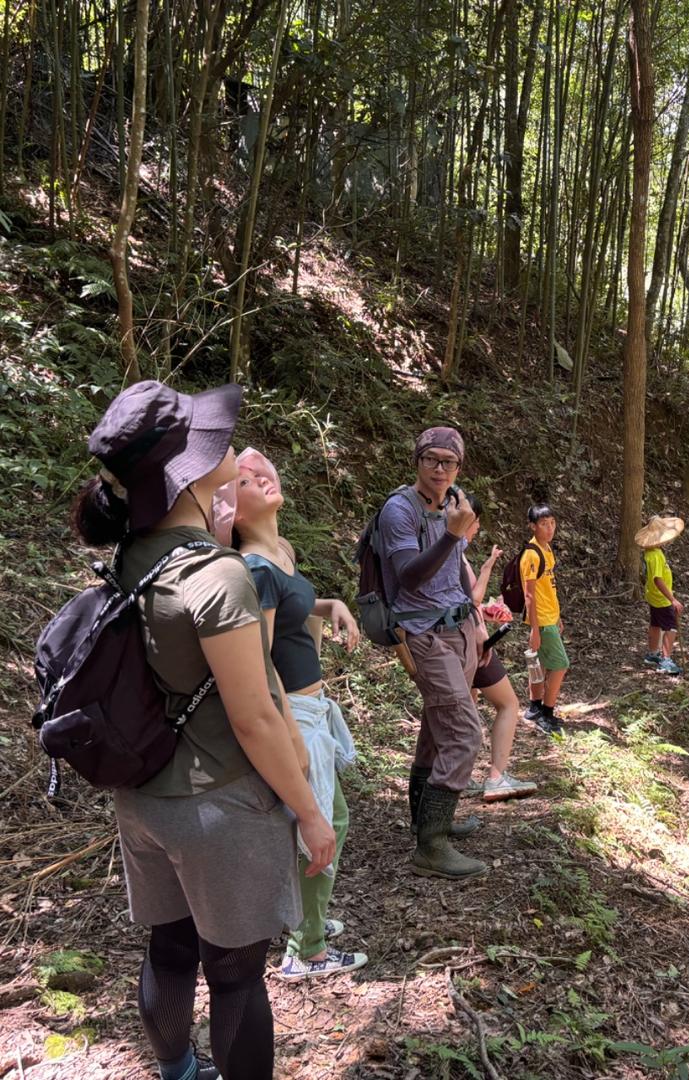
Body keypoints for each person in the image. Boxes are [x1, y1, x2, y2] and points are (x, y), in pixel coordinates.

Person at [74, 380, 335, 1080]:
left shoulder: (135, 556)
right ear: (184, 469)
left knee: (169, 949)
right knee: (236, 977)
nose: (233, 450)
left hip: (143, 800)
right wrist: (310, 813)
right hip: (218, 806)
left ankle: (178, 1071)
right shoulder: (216, 575)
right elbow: (254, 716)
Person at [216, 447, 366, 981]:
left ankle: (311, 919)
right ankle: (308, 948)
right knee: (324, 823)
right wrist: (290, 734)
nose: (260, 480)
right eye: (246, 481)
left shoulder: (279, 552)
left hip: (312, 707)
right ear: (231, 510)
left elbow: (299, 604)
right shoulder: (254, 568)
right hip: (295, 711)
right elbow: (261, 658)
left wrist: (333, 605)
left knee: (328, 818)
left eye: (263, 474)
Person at [380, 426, 488, 880]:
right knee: (464, 732)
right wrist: (449, 534)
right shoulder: (398, 510)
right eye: (432, 459)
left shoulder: (455, 502)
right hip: (423, 634)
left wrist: (477, 621)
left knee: (438, 724)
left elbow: (458, 567)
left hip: (459, 628)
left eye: (449, 461)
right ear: (417, 461)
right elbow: (408, 577)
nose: (440, 469)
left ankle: (426, 820)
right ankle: (432, 846)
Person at [462, 495, 537, 801]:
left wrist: (488, 612)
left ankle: (459, 776)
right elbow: (472, 600)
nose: (478, 527)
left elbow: (467, 602)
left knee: (466, 706)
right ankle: (496, 777)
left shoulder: (442, 551)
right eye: (476, 521)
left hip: (459, 644)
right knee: (508, 704)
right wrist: (488, 568)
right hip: (470, 646)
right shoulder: (452, 553)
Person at [521, 504, 569, 736]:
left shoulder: (546, 549)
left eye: (552, 523)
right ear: (532, 526)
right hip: (541, 621)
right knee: (560, 665)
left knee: (538, 665)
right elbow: (529, 594)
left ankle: (534, 708)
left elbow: (548, 588)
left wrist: (557, 616)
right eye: (543, 524)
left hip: (550, 617)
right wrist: (535, 629)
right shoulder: (531, 554)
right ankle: (547, 715)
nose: (550, 528)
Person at [636, 515, 685, 676]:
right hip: (662, 598)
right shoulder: (656, 555)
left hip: (652, 596)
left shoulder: (649, 553)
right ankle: (665, 660)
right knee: (670, 627)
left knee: (655, 624)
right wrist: (672, 599)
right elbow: (657, 579)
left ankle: (652, 654)